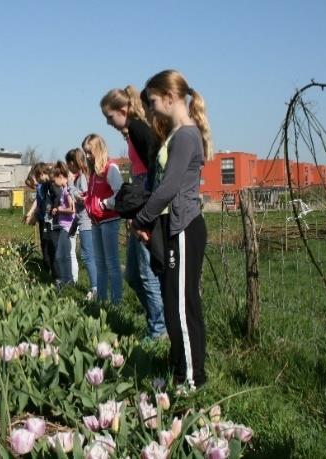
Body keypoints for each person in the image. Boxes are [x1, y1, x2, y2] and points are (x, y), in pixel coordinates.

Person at [132, 69, 212, 389]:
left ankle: (191, 380)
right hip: (175, 227)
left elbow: (168, 189)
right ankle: (181, 369)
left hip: (184, 228)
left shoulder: (185, 136)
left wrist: (142, 219)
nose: (150, 109)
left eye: (152, 102)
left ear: (169, 97)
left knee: (181, 307)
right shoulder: (178, 134)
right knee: (176, 304)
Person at [101, 86, 167, 340]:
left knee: (145, 271)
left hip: (145, 203)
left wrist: (145, 209)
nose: (109, 123)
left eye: (110, 117)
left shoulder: (140, 129)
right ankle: (158, 320)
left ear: (122, 110)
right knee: (133, 274)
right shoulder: (134, 131)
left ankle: (159, 330)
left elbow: (154, 169)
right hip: (141, 201)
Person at [83, 133, 123, 304]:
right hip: (96, 222)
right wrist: (87, 201)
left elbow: (120, 193)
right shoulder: (94, 173)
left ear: (98, 150)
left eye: (89, 152)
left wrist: (104, 204)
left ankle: (116, 302)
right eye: (85, 152)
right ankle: (101, 300)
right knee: (100, 263)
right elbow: (94, 195)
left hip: (109, 220)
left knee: (112, 263)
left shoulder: (110, 168)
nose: (87, 156)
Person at [65, 148, 97, 300]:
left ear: (72, 163)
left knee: (88, 255)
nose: (68, 168)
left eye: (68, 164)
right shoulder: (80, 176)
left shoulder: (82, 177)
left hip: (87, 221)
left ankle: (95, 288)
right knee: (88, 255)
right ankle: (96, 287)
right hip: (82, 219)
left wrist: (71, 188)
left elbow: (84, 197)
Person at [50, 161, 75, 287]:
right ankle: (68, 280)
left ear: (60, 177)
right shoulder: (65, 189)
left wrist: (59, 209)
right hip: (64, 225)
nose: (54, 184)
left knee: (61, 255)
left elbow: (72, 209)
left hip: (67, 227)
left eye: (55, 181)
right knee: (63, 254)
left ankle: (67, 280)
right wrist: (58, 208)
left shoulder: (67, 191)